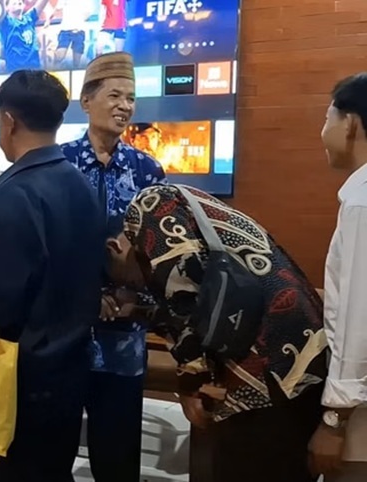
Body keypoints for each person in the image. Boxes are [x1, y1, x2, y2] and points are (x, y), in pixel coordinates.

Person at [105, 183, 328, 482]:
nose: (134, 286)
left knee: (250, 467)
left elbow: (185, 294)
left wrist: (191, 383)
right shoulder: (184, 203)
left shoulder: (149, 204)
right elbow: (198, 296)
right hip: (299, 357)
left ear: (115, 248)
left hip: (269, 366)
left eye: (125, 282)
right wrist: (139, 311)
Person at [0, 70, 104, 482]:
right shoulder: (78, 182)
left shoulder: (13, 193)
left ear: (8, 120)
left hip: (22, 376)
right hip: (71, 366)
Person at [60, 51, 165, 481]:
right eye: (115, 95)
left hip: (124, 337)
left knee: (118, 457)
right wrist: (86, 295)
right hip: (65, 336)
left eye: (131, 98)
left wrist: (132, 295)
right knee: (54, 453)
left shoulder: (147, 170)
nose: (125, 106)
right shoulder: (59, 165)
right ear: (86, 101)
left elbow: (160, 253)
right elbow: (48, 247)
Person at [309, 72, 367, 482]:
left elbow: (357, 321)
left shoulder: (362, 202)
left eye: (327, 117)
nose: (323, 131)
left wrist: (334, 420)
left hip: (359, 425)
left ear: (350, 124)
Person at [0, 0, 50, 72]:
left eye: (20, 1)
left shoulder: (30, 17)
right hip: (15, 71)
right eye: (14, 2)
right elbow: (0, 6)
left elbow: (43, 2)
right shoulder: (5, 22)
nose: (17, 1)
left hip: (34, 69)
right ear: (7, 7)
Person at [49, 0, 92, 69]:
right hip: (65, 31)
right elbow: (57, 9)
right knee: (60, 56)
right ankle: (52, 68)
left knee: (76, 62)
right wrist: (48, 19)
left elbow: (88, 13)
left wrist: (78, 21)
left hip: (79, 32)